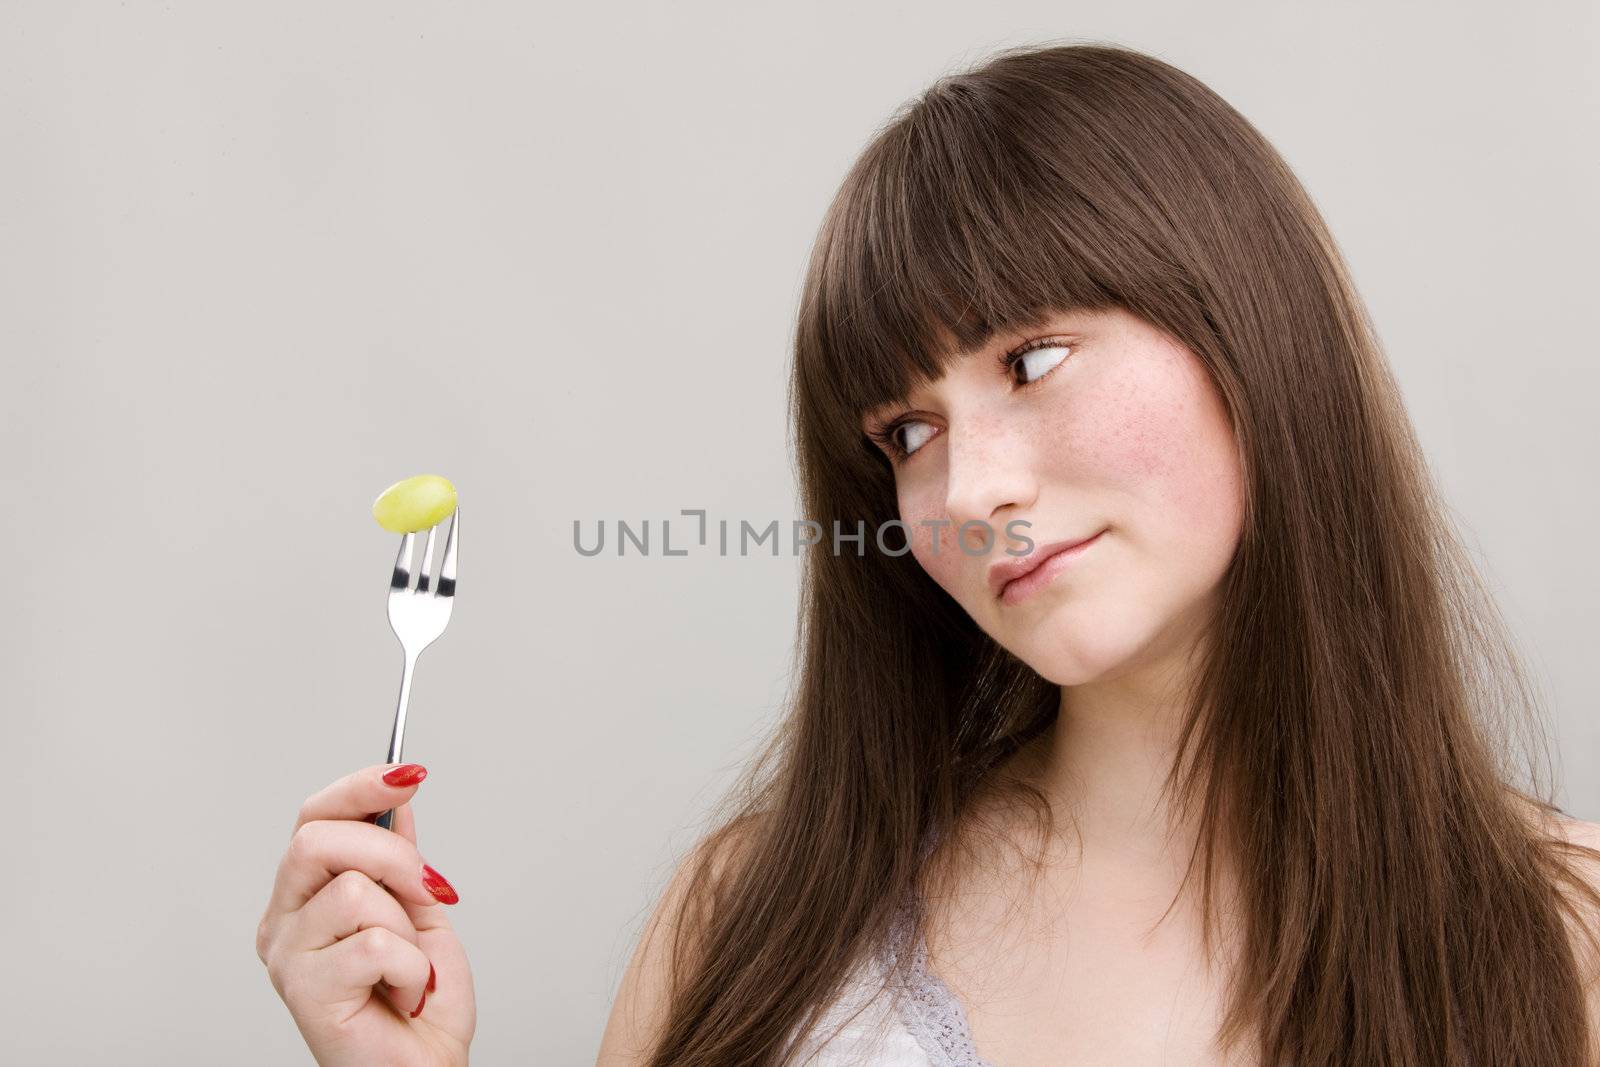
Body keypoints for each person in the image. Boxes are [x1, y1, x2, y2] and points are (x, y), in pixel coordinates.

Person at [257, 41, 1600, 1067]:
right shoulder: (755, 920)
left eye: (1035, 359)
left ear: (1253, 328)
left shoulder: (1561, 940)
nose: (973, 487)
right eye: (907, 431)